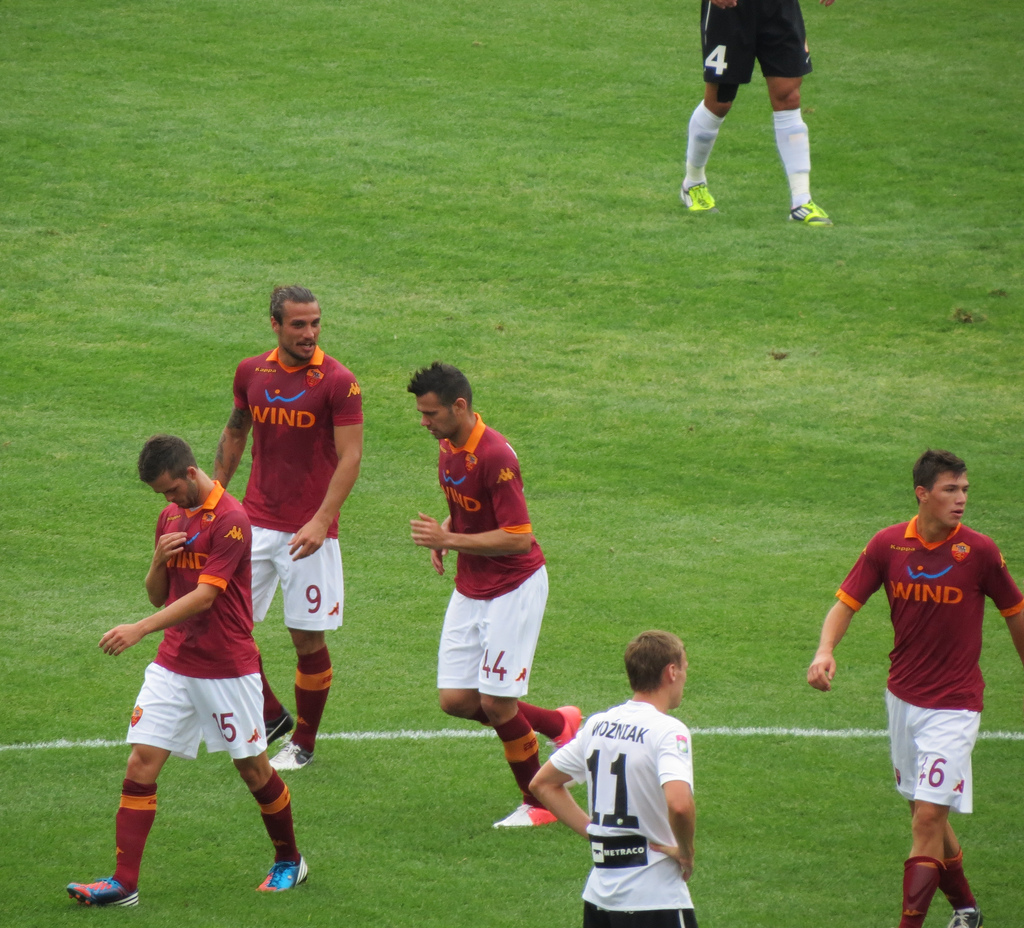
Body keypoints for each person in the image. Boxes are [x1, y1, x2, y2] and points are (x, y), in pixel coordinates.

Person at [67, 435, 306, 908]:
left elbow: (205, 595)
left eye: (172, 490)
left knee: (255, 771)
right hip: (174, 664)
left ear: (191, 473)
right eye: (162, 495)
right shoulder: (171, 517)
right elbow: (160, 594)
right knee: (141, 763)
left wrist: (139, 629)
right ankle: (124, 883)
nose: (169, 500)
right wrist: (158, 558)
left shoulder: (232, 520)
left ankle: (289, 860)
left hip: (227, 669)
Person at [808, 449, 1024, 928]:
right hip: (902, 701)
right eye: (951, 489)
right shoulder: (889, 546)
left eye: (965, 489)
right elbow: (846, 602)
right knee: (929, 816)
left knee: (926, 819)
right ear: (922, 494)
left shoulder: (980, 552)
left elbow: (1015, 613)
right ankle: (967, 910)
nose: (961, 499)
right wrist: (824, 650)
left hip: (955, 706)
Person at [407, 361, 581, 828]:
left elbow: (519, 537)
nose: (423, 422)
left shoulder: (496, 455)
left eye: (431, 413)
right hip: (473, 585)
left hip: (514, 586)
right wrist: (449, 527)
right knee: (457, 700)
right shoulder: (449, 445)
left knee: (497, 703)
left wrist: (448, 542)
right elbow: (467, 507)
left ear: (459, 407)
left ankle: (541, 801)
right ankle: (558, 725)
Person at [215, 285, 363, 771]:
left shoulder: (338, 381)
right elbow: (237, 429)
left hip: (311, 533)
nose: (309, 333)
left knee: (307, 641)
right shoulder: (250, 372)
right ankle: (272, 714)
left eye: (315, 323)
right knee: (223, 622)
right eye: (298, 324)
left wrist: (322, 519)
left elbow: (351, 456)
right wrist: (215, 496)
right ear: (274, 325)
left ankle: (303, 742)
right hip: (254, 522)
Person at [531, 630, 698, 928]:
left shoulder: (598, 725)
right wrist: (685, 852)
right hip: (654, 897)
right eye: (685, 667)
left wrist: (595, 833)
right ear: (671, 672)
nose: (686, 676)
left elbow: (542, 784)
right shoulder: (668, 731)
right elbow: (680, 804)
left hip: (600, 898)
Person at [681, 0, 835, 223]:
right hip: (731, 10)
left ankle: (801, 201)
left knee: (788, 95)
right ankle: (693, 183)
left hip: (780, 7)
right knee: (720, 100)